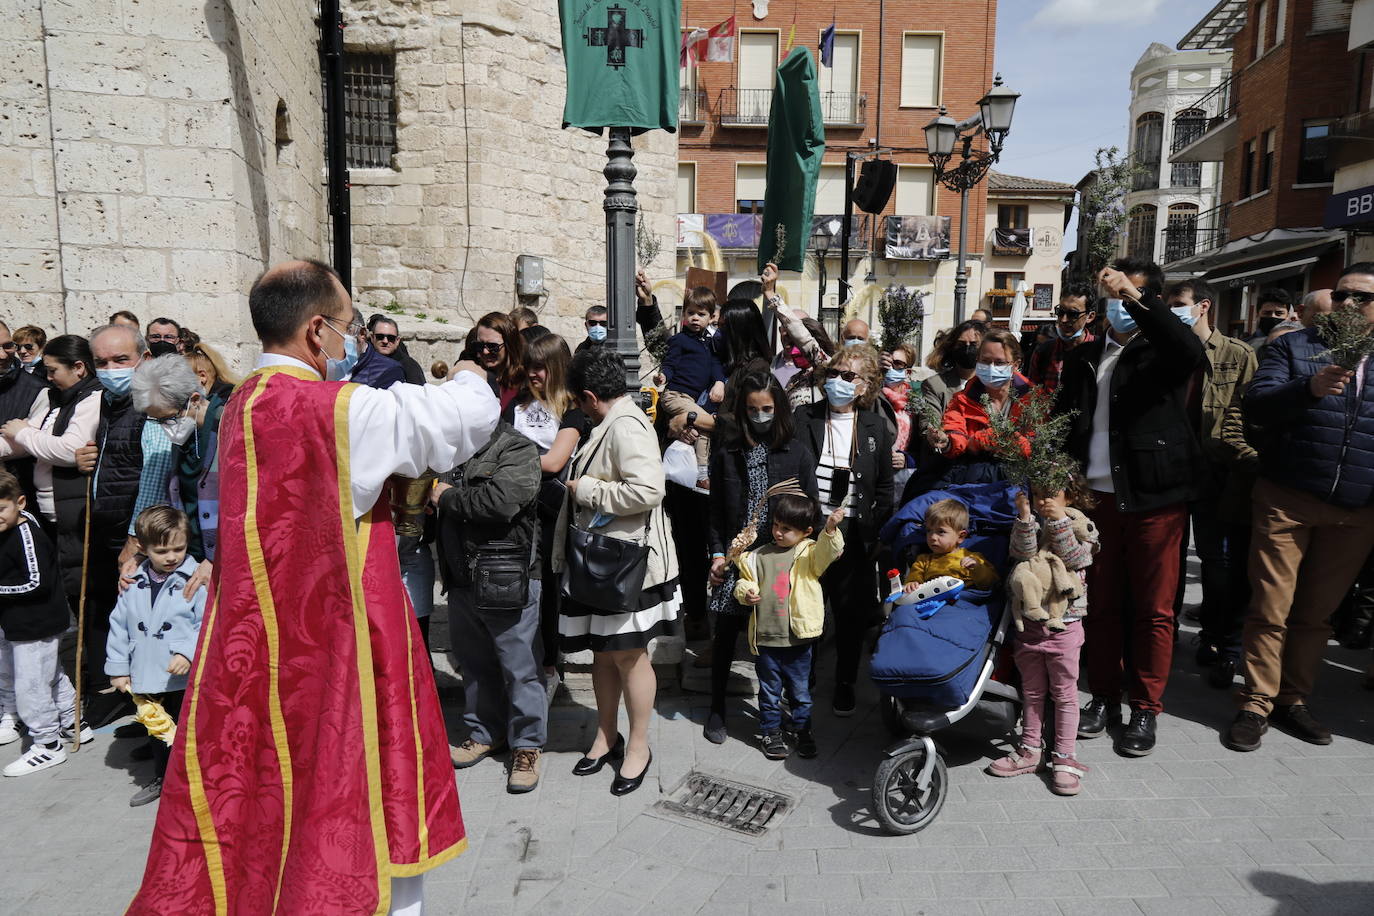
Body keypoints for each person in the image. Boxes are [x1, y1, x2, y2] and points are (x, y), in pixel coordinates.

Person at [124, 259, 498, 915]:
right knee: (358, 807)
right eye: (349, 327)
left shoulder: (239, 403)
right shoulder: (337, 413)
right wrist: (473, 372)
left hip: (254, 652)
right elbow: (455, 423)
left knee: (268, 811)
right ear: (317, 330)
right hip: (337, 649)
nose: (351, 342)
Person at [1054, 257, 1205, 757]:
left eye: (1130, 296)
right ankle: (1104, 697)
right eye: (1113, 296)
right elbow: (1063, 423)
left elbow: (1186, 347)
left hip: (1153, 498)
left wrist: (1140, 301)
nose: (1119, 304)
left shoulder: (1163, 351)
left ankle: (1146, 707)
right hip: (1094, 502)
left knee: (1154, 610)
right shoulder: (1084, 356)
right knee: (1100, 604)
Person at [1223, 264, 1374, 753]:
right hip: (1287, 499)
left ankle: (1293, 700)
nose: (1349, 305)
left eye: (1363, 299)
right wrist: (1307, 389)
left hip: (1356, 510)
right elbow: (1257, 405)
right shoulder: (1295, 346)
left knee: (1316, 616)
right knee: (1271, 608)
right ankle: (1255, 703)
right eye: (1343, 295)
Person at [553, 348, 679, 796]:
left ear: (589, 396)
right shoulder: (610, 421)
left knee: (628, 655)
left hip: (626, 565)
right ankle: (606, 735)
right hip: (601, 563)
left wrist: (585, 489)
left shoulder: (626, 425)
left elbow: (648, 489)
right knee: (603, 654)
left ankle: (639, 746)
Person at [705, 372, 819, 743]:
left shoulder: (797, 452)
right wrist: (718, 555)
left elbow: (810, 509)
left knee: (782, 643)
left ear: (779, 409)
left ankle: (784, 712)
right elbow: (717, 512)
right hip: (739, 559)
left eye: (767, 408)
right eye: (753, 409)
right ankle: (717, 709)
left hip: (781, 561)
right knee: (725, 636)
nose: (760, 415)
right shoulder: (728, 453)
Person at [436, 419, 546, 793]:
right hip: (462, 577)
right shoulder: (449, 447)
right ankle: (486, 733)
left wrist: (445, 496)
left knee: (520, 668)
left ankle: (528, 745)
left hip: (505, 576)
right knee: (474, 664)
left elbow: (501, 503)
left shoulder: (516, 448)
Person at [792, 344, 894, 716]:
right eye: (833, 374)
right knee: (807, 607)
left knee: (850, 616)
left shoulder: (876, 428)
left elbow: (884, 488)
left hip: (854, 534)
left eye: (847, 376)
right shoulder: (804, 417)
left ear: (864, 386)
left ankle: (846, 683)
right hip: (810, 530)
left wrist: (874, 534)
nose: (837, 381)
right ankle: (804, 677)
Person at [1170, 279, 1257, 690]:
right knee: (1167, 562)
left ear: (1203, 306)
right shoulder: (1163, 351)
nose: (1173, 311)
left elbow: (1252, 415)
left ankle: (1221, 641)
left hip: (1217, 474)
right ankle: (1164, 635)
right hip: (1168, 473)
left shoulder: (1237, 355)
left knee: (1217, 563)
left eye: (1179, 304)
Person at [987, 479, 1099, 796]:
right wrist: (1024, 518)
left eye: (1051, 495)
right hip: (1031, 625)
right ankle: (1030, 750)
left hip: (1066, 624)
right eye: (1037, 495)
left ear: (1071, 496)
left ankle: (1064, 758)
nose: (1042, 501)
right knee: (1032, 693)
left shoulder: (1082, 526)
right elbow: (1021, 554)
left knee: (1064, 695)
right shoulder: (1033, 524)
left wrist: (1060, 519)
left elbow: (1076, 558)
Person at [104, 506, 205, 806]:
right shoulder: (135, 581)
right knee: (157, 726)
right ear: (144, 549)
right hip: (146, 669)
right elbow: (119, 625)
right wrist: (119, 668)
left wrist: (187, 652)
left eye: (179, 548)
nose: (172, 557)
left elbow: (205, 622)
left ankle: (185, 776)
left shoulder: (195, 579)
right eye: (162, 551)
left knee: (185, 728)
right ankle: (161, 775)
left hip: (180, 674)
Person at [734, 494, 845, 760]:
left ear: (806, 531)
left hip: (798, 640)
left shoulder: (808, 553)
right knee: (770, 692)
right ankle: (770, 732)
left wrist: (830, 530)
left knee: (800, 691)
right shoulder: (758, 555)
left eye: (787, 529)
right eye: (776, 525)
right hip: (766, 639)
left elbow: (826, 552)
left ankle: (802, 729)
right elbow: (743, 581)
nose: (779, 533)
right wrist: (747, 592)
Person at [506, 333, 589, 675]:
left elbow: (555, 462)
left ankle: (549, 663)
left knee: (550, 587)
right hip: (515, 508)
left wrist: (508, 462)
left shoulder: (572, 410)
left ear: (556, 368)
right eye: (530, 366)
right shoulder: (516, 405)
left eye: (541, 367)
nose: (533, 373)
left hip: (553, 512)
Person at [0, 335, 102, 605]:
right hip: (49, 509)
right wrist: (24, 435)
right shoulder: (57, 397)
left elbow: (68, 450)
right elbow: (32, 438)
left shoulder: (91, 398)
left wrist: (23, 434)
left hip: (71, 508)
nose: (48, 376)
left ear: (78, 367)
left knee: (81, 590)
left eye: (53, 370)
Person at [0, 470, 84, 777]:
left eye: (0, 509)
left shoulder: (25, 533)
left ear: (20, 503)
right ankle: (74, 723)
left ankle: (47, 744)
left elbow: (36, 582)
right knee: (49, 674)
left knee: (31, 685)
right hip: (20, 623)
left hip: (36, 623)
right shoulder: (10, 528)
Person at [931, 329, 1032, 487]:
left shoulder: (1034, 400)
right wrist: (946, 442)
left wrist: (987, 439)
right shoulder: (962, 400)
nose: (991, 368)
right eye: (985, 361)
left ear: (1015, 364)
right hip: (970, 476)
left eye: (999, 363)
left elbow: (1036, 445)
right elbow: (955, 433)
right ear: (977, 360)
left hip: (1018, 480)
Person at [659, 287, 727, 483]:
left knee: (701, 429)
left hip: (692, 398)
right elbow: (670, 363)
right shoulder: (679, 340)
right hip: (676, 395)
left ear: (712, 317)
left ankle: (699, 473)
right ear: (684, 314)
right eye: (691, 313)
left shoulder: (710, 343)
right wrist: (663, 376)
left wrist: (719, 383)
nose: (695, 318)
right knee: (708, 422)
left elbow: (715, 366)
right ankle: (702, 475)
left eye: (701, 314)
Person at [0, 320, 49, 505]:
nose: (3, 355)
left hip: (15, 498)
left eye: (7, 346)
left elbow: (35, 440)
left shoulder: (37, 390)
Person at [901, 499, 999, 590]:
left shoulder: (972, 558)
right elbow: (915, 578)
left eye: (941, 532)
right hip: (933, 598)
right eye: (929, 531)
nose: (932, 537)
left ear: (960, 537)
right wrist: (913, 583)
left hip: (964, 596)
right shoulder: (923, 561)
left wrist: (977, 568)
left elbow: (991, 582)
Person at [1027, 284, 1095, 392]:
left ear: (1090, 317)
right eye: (1060, 312)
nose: (1063, 320)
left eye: (1073, 314)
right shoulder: (1044, 351)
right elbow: (1033, 394)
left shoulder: (1100, 350)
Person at [472, 311, 526, 410]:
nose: (485, 351)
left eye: (493, 346)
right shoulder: (473, 377)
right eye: (479, 345)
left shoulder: (526, 381)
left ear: (510, 345)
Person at [368, 314, 426, 385]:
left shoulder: (410, 366)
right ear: (372, 338)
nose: (385, 341)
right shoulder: (363, 360)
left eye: (391, 338)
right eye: (380, 337)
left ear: (397, 340)